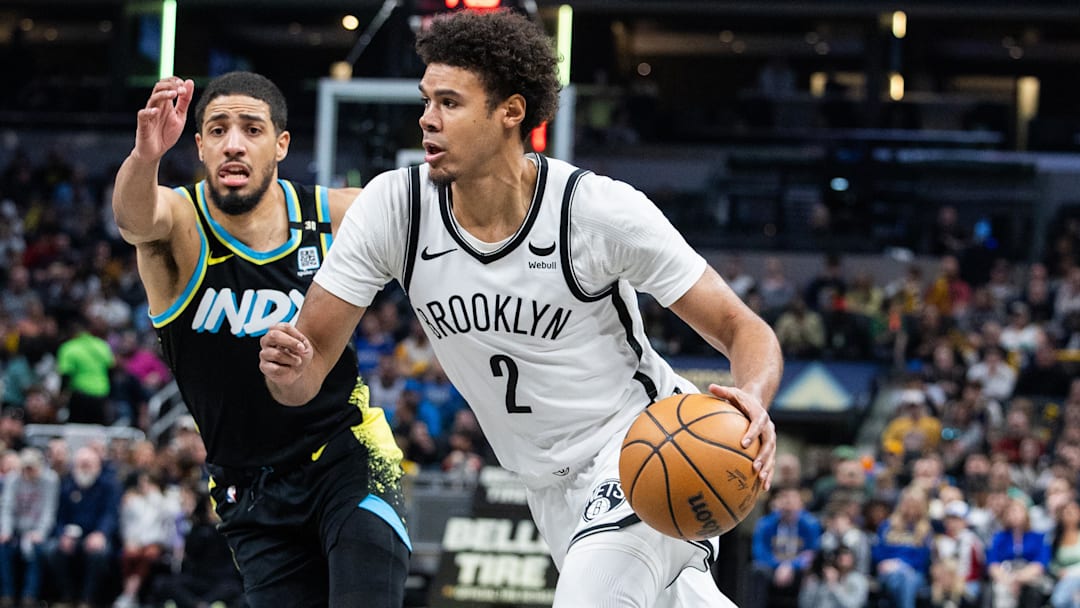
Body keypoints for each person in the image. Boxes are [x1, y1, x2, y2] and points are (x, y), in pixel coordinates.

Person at [259, 9, 782, 608]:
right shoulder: (393, 209)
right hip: (544, 488)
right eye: (426, 100)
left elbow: (743, 328)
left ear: (510, 111)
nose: (427, 119)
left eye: (450, 103)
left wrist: (754, 401)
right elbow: (309, 366)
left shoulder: (597, 213)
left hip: (640, 452)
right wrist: (290, 374)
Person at [110, 71, 410, 607]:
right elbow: (134, 219)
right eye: (218, 129)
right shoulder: (180, 222)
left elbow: (433, 225)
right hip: (249, 488)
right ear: (198, 144)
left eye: (251, 129)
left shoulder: (335, 215)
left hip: (347, 455)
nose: (233, 143)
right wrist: (145, 157)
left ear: (281, 144)